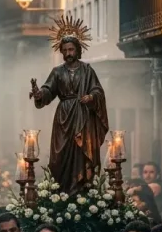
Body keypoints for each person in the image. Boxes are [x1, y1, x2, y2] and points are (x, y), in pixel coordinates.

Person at [28, 16, 109, 193]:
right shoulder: (57, 72)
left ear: (78, 50)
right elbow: (48, 90)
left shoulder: (87, 70)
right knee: (60, 155)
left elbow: (98, 91)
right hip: (63, 117)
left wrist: (91, 97)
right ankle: (61, 190)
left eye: (71, 49)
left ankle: (82, 188)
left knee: (81, 153)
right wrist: (39, 93)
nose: (68, 53)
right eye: (65, 50)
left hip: (83, 116)